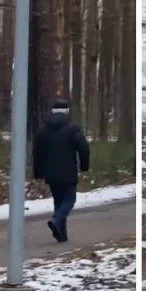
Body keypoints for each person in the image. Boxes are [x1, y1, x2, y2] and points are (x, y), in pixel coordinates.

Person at [33, 99, 90, 243]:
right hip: (68, 171)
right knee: (70, 199)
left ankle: (61, 235)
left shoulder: (43, 129)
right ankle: (56, 220)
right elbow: (84, 148)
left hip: (50, 173)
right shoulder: (72, 128)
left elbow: (37, 153)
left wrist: (38, 172)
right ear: (67, 111)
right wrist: (84, 166)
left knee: (58, 202)